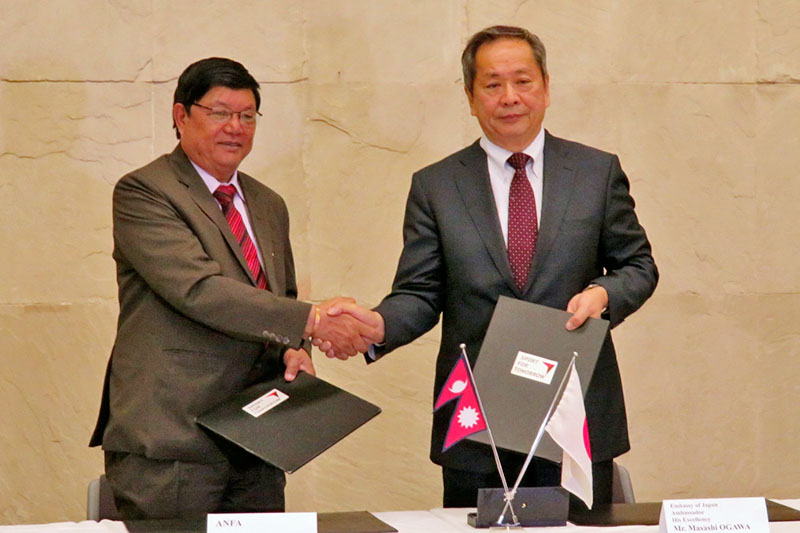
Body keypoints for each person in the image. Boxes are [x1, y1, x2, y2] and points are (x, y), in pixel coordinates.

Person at [317, 26, 658, 508]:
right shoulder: (436, 186)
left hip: (574, 415)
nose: (510, 97)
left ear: (545, 87)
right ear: (470, 97)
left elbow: (637, 265)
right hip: (478, 425)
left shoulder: (595, 173)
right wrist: (377, 325)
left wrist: (604, 296)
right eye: (492, 84)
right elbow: (419, 292)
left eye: (523, 81)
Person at [89, 57, 379, 519]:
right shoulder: (145, 192)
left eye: (247, 116)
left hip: (258, 441)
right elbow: (198, 289)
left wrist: (297, 348)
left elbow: (277, 300)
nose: (235, 127)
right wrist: (316, 319)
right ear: (181, 116)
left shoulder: (267, 203)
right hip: (173, 441)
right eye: (220, 112)